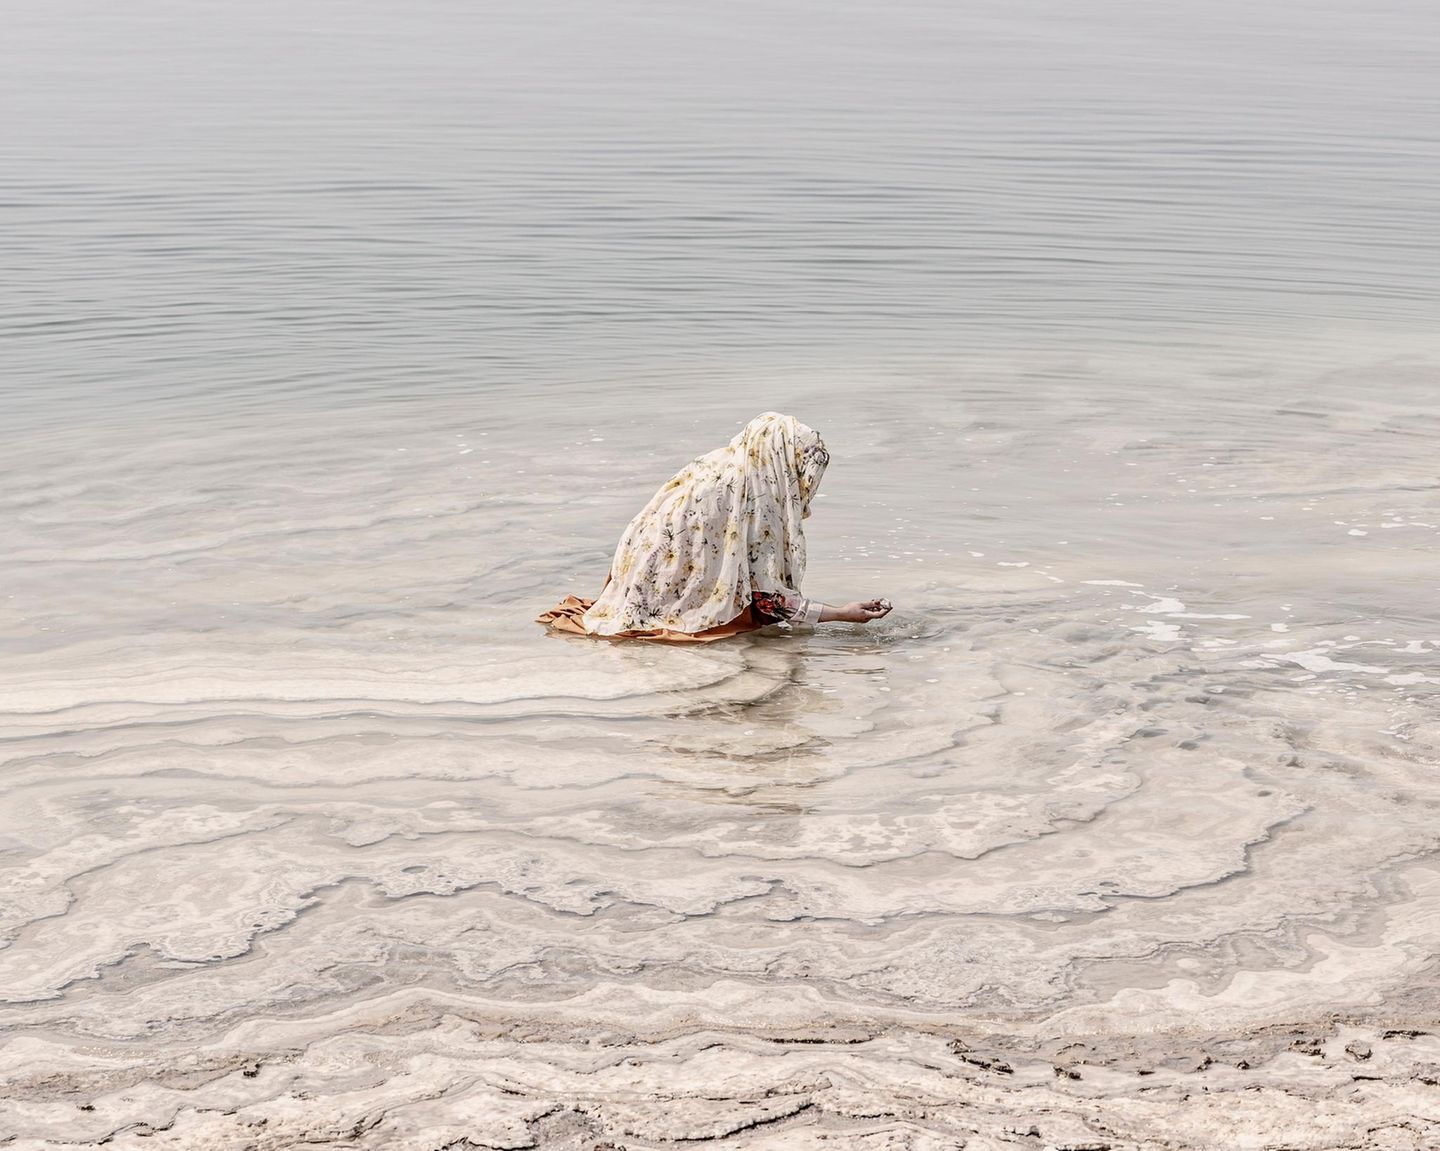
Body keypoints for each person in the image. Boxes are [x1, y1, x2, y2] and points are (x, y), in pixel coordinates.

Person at [538, 412, 892, 643]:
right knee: (731, 619)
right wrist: (841, 614)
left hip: (637, 576)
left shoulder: (718, 464)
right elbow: (769, 600)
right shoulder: (757, 494)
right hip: (665, 587)